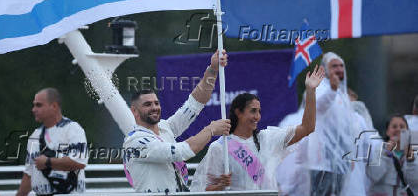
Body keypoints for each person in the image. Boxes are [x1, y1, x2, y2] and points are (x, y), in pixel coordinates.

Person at [190, 64, 325, 191]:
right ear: (238, 112)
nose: (257, 116)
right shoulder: (220, 147)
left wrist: (311, 91)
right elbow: (202, 190)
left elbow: (307, 128)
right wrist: (220, 186)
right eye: (253, 111)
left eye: (259, 111)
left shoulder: (269, 138)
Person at [122, 50, 231, 193]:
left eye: (156, 103)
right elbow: (181, 151)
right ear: (134, 111)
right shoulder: (135, 141)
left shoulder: (165, 127)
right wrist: (210, 130)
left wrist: (213, 69)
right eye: (147, 104)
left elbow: (195, 103)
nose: (154, 107)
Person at [302, 52, 358, 196]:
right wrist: (332, 90)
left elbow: (347, 129)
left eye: (341, 66)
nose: (339, 69)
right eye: (334, 66)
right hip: (322, 163)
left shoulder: (342, 94)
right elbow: (318, 106)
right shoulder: (318, 88)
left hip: (339, 162)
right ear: (324, 69)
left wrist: (349, 154)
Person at [16, 88, 88, 196]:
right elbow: (29, 175)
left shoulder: (72, 129)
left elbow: (79, 162)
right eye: (34, 105)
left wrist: (47, 162)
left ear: (54, 106)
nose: (33, 109)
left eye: (39, 105)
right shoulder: (34, 136)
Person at [366, 114, 418, 196]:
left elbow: (415, 182)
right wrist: (386, 153)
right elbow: (373, 176)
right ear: (387, 132)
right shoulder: (379, 149)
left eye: (402, 127)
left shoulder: (413, 153)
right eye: (394, 127)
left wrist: (411, 160)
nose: (398, 129)